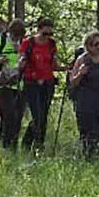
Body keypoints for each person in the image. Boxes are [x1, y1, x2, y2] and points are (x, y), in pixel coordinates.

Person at [68, 30, 99, 160]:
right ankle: (89, 157)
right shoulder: (82, 59)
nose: (98, 47)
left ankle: (98, 151)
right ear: (88, 46)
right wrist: (81, 73)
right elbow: (73, 82)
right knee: (89, 131)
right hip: (86, 100)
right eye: (95, 44)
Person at [19, 18, 61, 151]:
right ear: (38, 30)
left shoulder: (52, 44)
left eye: (50, 34)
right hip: (31, 82)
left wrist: (67, 68)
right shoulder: (28, 43)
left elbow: (53, 64)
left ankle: (38, 145)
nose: (47, 37)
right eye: (44, 34)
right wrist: (21, 65)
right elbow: (22, 60)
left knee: (43, 115)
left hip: (47, 83)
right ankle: (28, 143)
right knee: (37, 115)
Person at [0, 19, 26, 148]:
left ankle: (13, 144)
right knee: (8, 114)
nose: (16, 38)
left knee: (18, 117)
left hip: (20, 85)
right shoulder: (0, 42)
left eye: (18, 36)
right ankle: (5, 144)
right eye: (14, 35)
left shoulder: (24, 44)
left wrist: (20, 53)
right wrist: (0, 60)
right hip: (3, 85)